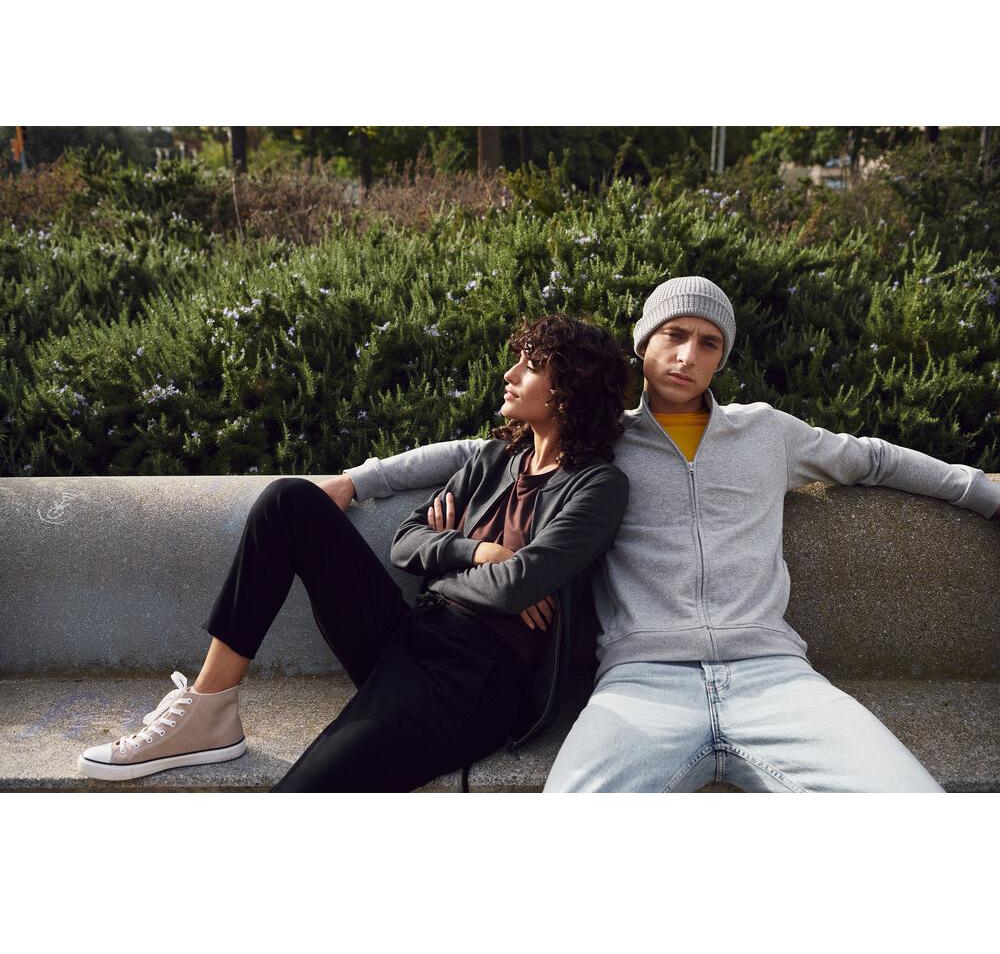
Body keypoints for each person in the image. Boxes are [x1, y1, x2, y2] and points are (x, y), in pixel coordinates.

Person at [325, 276, 1000, 792]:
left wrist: (985, 493)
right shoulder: (601, 440)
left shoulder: (767, 432)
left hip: (774, 677)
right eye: (673, 335)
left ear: (721, 359)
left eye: (709, 344)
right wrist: (361, 479)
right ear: (643, 345)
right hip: (640, 684)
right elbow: (480, 450)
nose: (687, 355)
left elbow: (874, 458)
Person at [77, 314, 630, 791]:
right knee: (288, 501)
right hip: (412, 632)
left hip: (472, 681)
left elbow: (514, 587)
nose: (509, 374)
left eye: (530, 366)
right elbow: (406, 543)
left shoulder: (597, 488)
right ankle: (209, 706)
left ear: (569, 389)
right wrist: (478, 551)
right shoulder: (494, 459)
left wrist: (467, 566)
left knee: (305, 795)